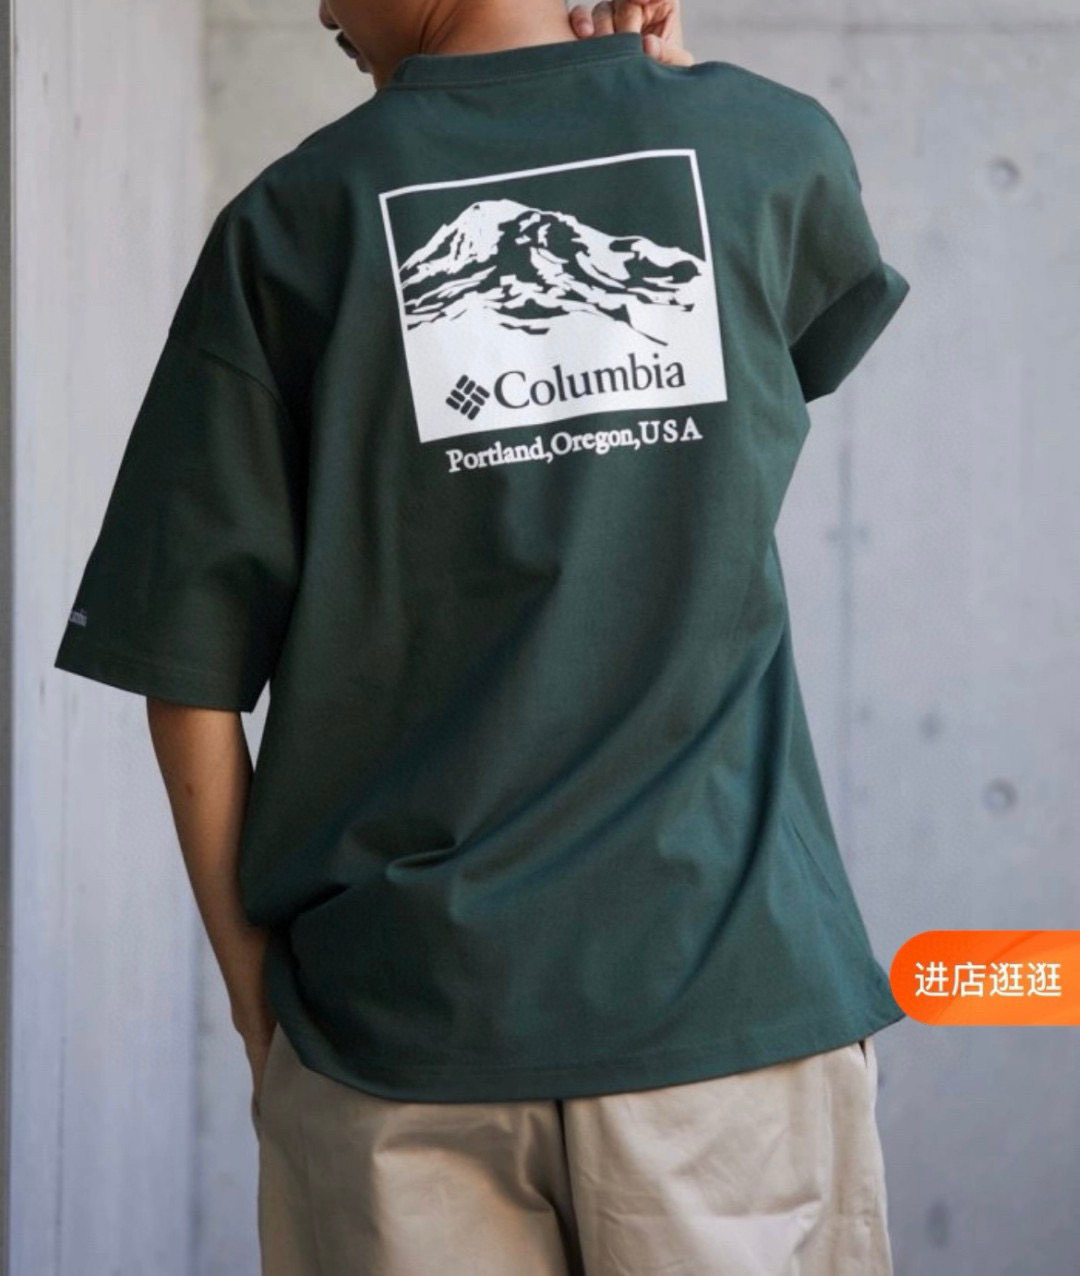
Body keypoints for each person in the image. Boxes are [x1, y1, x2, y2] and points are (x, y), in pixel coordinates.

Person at [53, 0, 911, 1271]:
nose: (321, 9)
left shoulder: (293, 221)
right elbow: (790, 334)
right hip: (727, 1002)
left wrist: (255, 1000)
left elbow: (188, 669)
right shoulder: (766, 146)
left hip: (397, 1035)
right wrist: (660, 84)